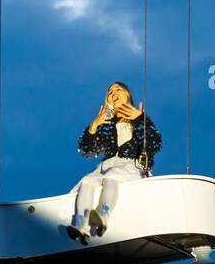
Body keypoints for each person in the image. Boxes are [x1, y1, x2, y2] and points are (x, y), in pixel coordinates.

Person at [67, 81, 162, 244]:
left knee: (112, 176)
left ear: (128, 95)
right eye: (110, 92)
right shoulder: (106, 125)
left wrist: (140, 119)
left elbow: (154, 143)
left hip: (130, 165)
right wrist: (94, 126)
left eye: (118, 89)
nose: (113, 92)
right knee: (87, 181)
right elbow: (87, 150)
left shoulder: (139, 120)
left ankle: (103, 214)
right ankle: (80, 223)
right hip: (106, 166)